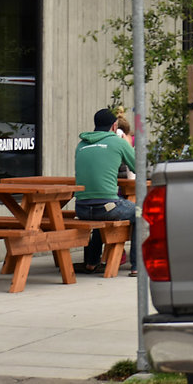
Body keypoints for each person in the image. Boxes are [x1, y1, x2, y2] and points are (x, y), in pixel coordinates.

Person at [75, 107, 136, 276]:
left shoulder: (81, 144)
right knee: (140, 212)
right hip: (107, 207)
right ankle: (136, 265)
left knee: (100, 217)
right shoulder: (118, 142)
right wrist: (127, 143)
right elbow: (138, 166)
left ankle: (91, 262)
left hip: (81, 209)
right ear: (114, 126)